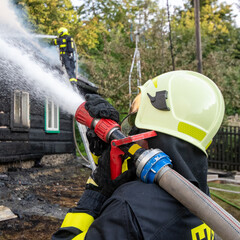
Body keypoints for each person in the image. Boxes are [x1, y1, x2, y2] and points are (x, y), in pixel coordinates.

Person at [52, 70, 225, 240]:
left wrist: (96, 192)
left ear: (151, 133)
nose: (130, 136)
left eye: (136, 123)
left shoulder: (128, 207)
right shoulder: (200, 194)